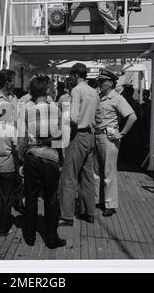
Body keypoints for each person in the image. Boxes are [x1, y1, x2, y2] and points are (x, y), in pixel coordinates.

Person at [19, 76, 66, 249]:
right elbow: (61, 137)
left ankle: (29, 236)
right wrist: (60, 159)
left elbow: (22, 139)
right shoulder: (56, 110)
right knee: (51, 198)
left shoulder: (27, 111)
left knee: (31, 197)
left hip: (32, 156)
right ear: (46, 91)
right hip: (51, 157)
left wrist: (22, 159)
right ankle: (52, 238)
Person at [58, 63, 102, 226]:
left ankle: (67, 216)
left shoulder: (77, 90)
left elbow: (74, 118)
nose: (70, 78)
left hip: (79, 135)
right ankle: (89, 212)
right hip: (91, 136)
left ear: (76, 75)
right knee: (87, 176)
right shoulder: (94, 92)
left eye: (71, 75)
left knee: (69, 176)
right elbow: (99, 117)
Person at [94, 69, 137, 217]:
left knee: (108, 172)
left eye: (102, 81)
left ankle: (110, 204)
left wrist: (122, 133)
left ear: (111, 83)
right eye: (98, 81)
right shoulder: (98, 97)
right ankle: (98, 199)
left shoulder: (117, 98)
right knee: (96, 172)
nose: (99, 83)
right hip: (96, 136)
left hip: (109, 137)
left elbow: (132, 117)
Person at [0, 69, 25, 215]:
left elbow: (18, 120)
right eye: (13, 80)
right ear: (7, 83)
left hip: (14, 143)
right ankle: (1, 210)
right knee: (1, 179)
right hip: (0, 144)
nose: (15, 83)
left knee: (17, 177)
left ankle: (17, 203)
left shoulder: (15, 98)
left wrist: (19, 140)